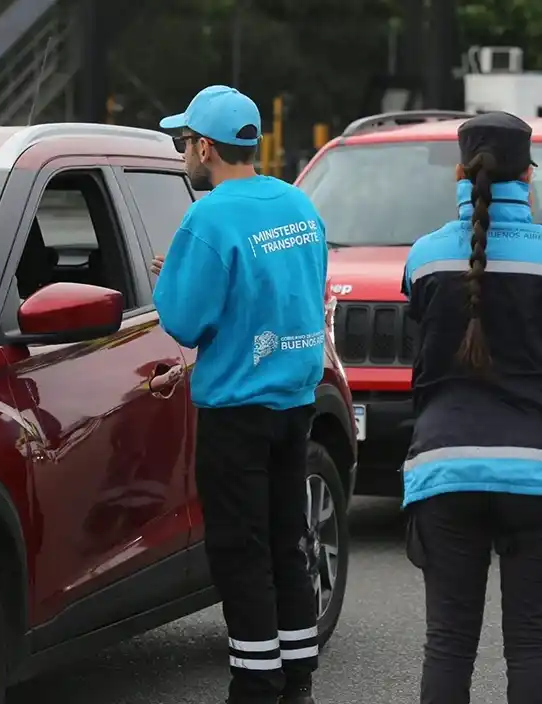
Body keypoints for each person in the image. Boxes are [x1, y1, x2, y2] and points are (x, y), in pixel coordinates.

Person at [401, 111, 542, 704]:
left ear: (461, 173)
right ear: (530, 174)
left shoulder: (424, 257)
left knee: (448, 643)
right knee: (530, 643)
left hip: (446, 468)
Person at [151, 85, 328, 704]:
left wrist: (174, 273)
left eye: (184, 142)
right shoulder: (299, 205)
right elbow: (286, 286)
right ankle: (297, 674)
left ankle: (255, 681)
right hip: (295, 400)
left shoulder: (208, 218)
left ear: (205, 146)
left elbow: (184, 320)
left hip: (236, 408)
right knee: (288, 535)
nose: (183, 154)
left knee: (239, 547)